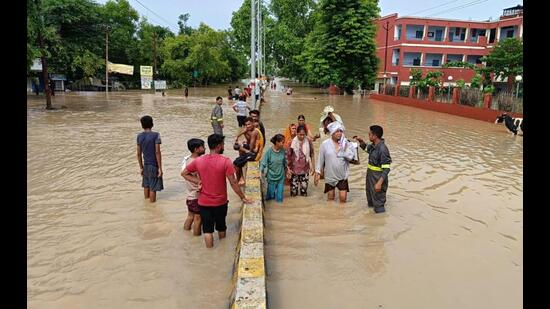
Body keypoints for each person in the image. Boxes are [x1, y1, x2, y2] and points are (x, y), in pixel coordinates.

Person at [182, 134, 252, 248]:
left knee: (208, 231)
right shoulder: (226, 161)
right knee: (221, 227)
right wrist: (243, 197)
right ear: (219, 146)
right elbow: (233, 182)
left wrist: (197, 181)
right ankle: (222, 249)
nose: (224, 146)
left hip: (204, 202)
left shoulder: (199, 160)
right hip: (220, 202)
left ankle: (210, 254)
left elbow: (184, 173)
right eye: (223, 144)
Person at [314, 121, 357, 203]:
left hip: (342, 175)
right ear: (332, 133)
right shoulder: (325, 144)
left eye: (341, 131)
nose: (339, 133)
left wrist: (345, 150)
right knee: (330, 198)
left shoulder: (346, 143)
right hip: (330, 175)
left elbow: (352, 157)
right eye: (337, 131)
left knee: (343, 199)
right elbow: (320, 159)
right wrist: (318, 173)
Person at [354, 125, 392, 213]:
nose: (369, 136)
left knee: (378, 205)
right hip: (370, 178)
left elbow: (386, 169)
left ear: (374, 136)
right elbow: (367, 149)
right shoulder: (374, 146)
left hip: (377, 179)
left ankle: (380, 223)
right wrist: (361, 141)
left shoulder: (383, 149)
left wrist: (379, 183)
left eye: (369, 134)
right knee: (370, 202)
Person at [181, 138, 206, 235]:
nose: (204, 149)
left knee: (190, 216)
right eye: (203, 147)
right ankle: (196, 237)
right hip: (196, 196)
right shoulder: (196, 162)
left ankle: (185, 233)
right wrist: (200, 182)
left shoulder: (187, 160)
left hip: (190, 195)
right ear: (196, 149)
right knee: (198, 219)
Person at [136, 115, 163, 203]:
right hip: (153, 165)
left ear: (142, 125)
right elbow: (157, 152)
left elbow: (139, 154)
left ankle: (147, 207)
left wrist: (141, 167)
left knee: (146, 185)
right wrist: (160, 168)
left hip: (145, 165)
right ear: (152, 124)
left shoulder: (139, 136)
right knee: (153, 187)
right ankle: (152, 206)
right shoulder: (156, 135)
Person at [286, 125, 315, 197]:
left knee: (304, 192)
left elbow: (312, 154)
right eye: (300, 135)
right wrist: (288, 169)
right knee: (293, 193)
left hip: (305, 170)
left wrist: (313, 167)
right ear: (296, 133)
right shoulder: (291, 142)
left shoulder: (308, 141)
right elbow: (287, 156)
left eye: (304, 135)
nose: (302, 136)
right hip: (294, 171)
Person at [233, 117, 263, 185]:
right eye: (246, 125)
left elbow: (251, 148)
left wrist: (243, 148)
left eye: (249, 124)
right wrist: (241, 134)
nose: (247, 126)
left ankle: (240, 180)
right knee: (237, 147)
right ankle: (241, 179)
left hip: (254, 155)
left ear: (253, 123)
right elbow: (238, 135)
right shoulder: (254, 130)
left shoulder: (254, 132)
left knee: (235, 163)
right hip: (253, 152)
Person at [261, 134, 287, 203]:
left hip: (281, 177)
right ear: (276, 142)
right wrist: (259, 172)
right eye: (282, 142)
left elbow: (285, 163)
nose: (283, 144)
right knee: (270, 197)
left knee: (279, 198)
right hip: (271, 177)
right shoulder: (269, 152)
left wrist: (288, 171)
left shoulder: (283, 151)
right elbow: (263, 163)